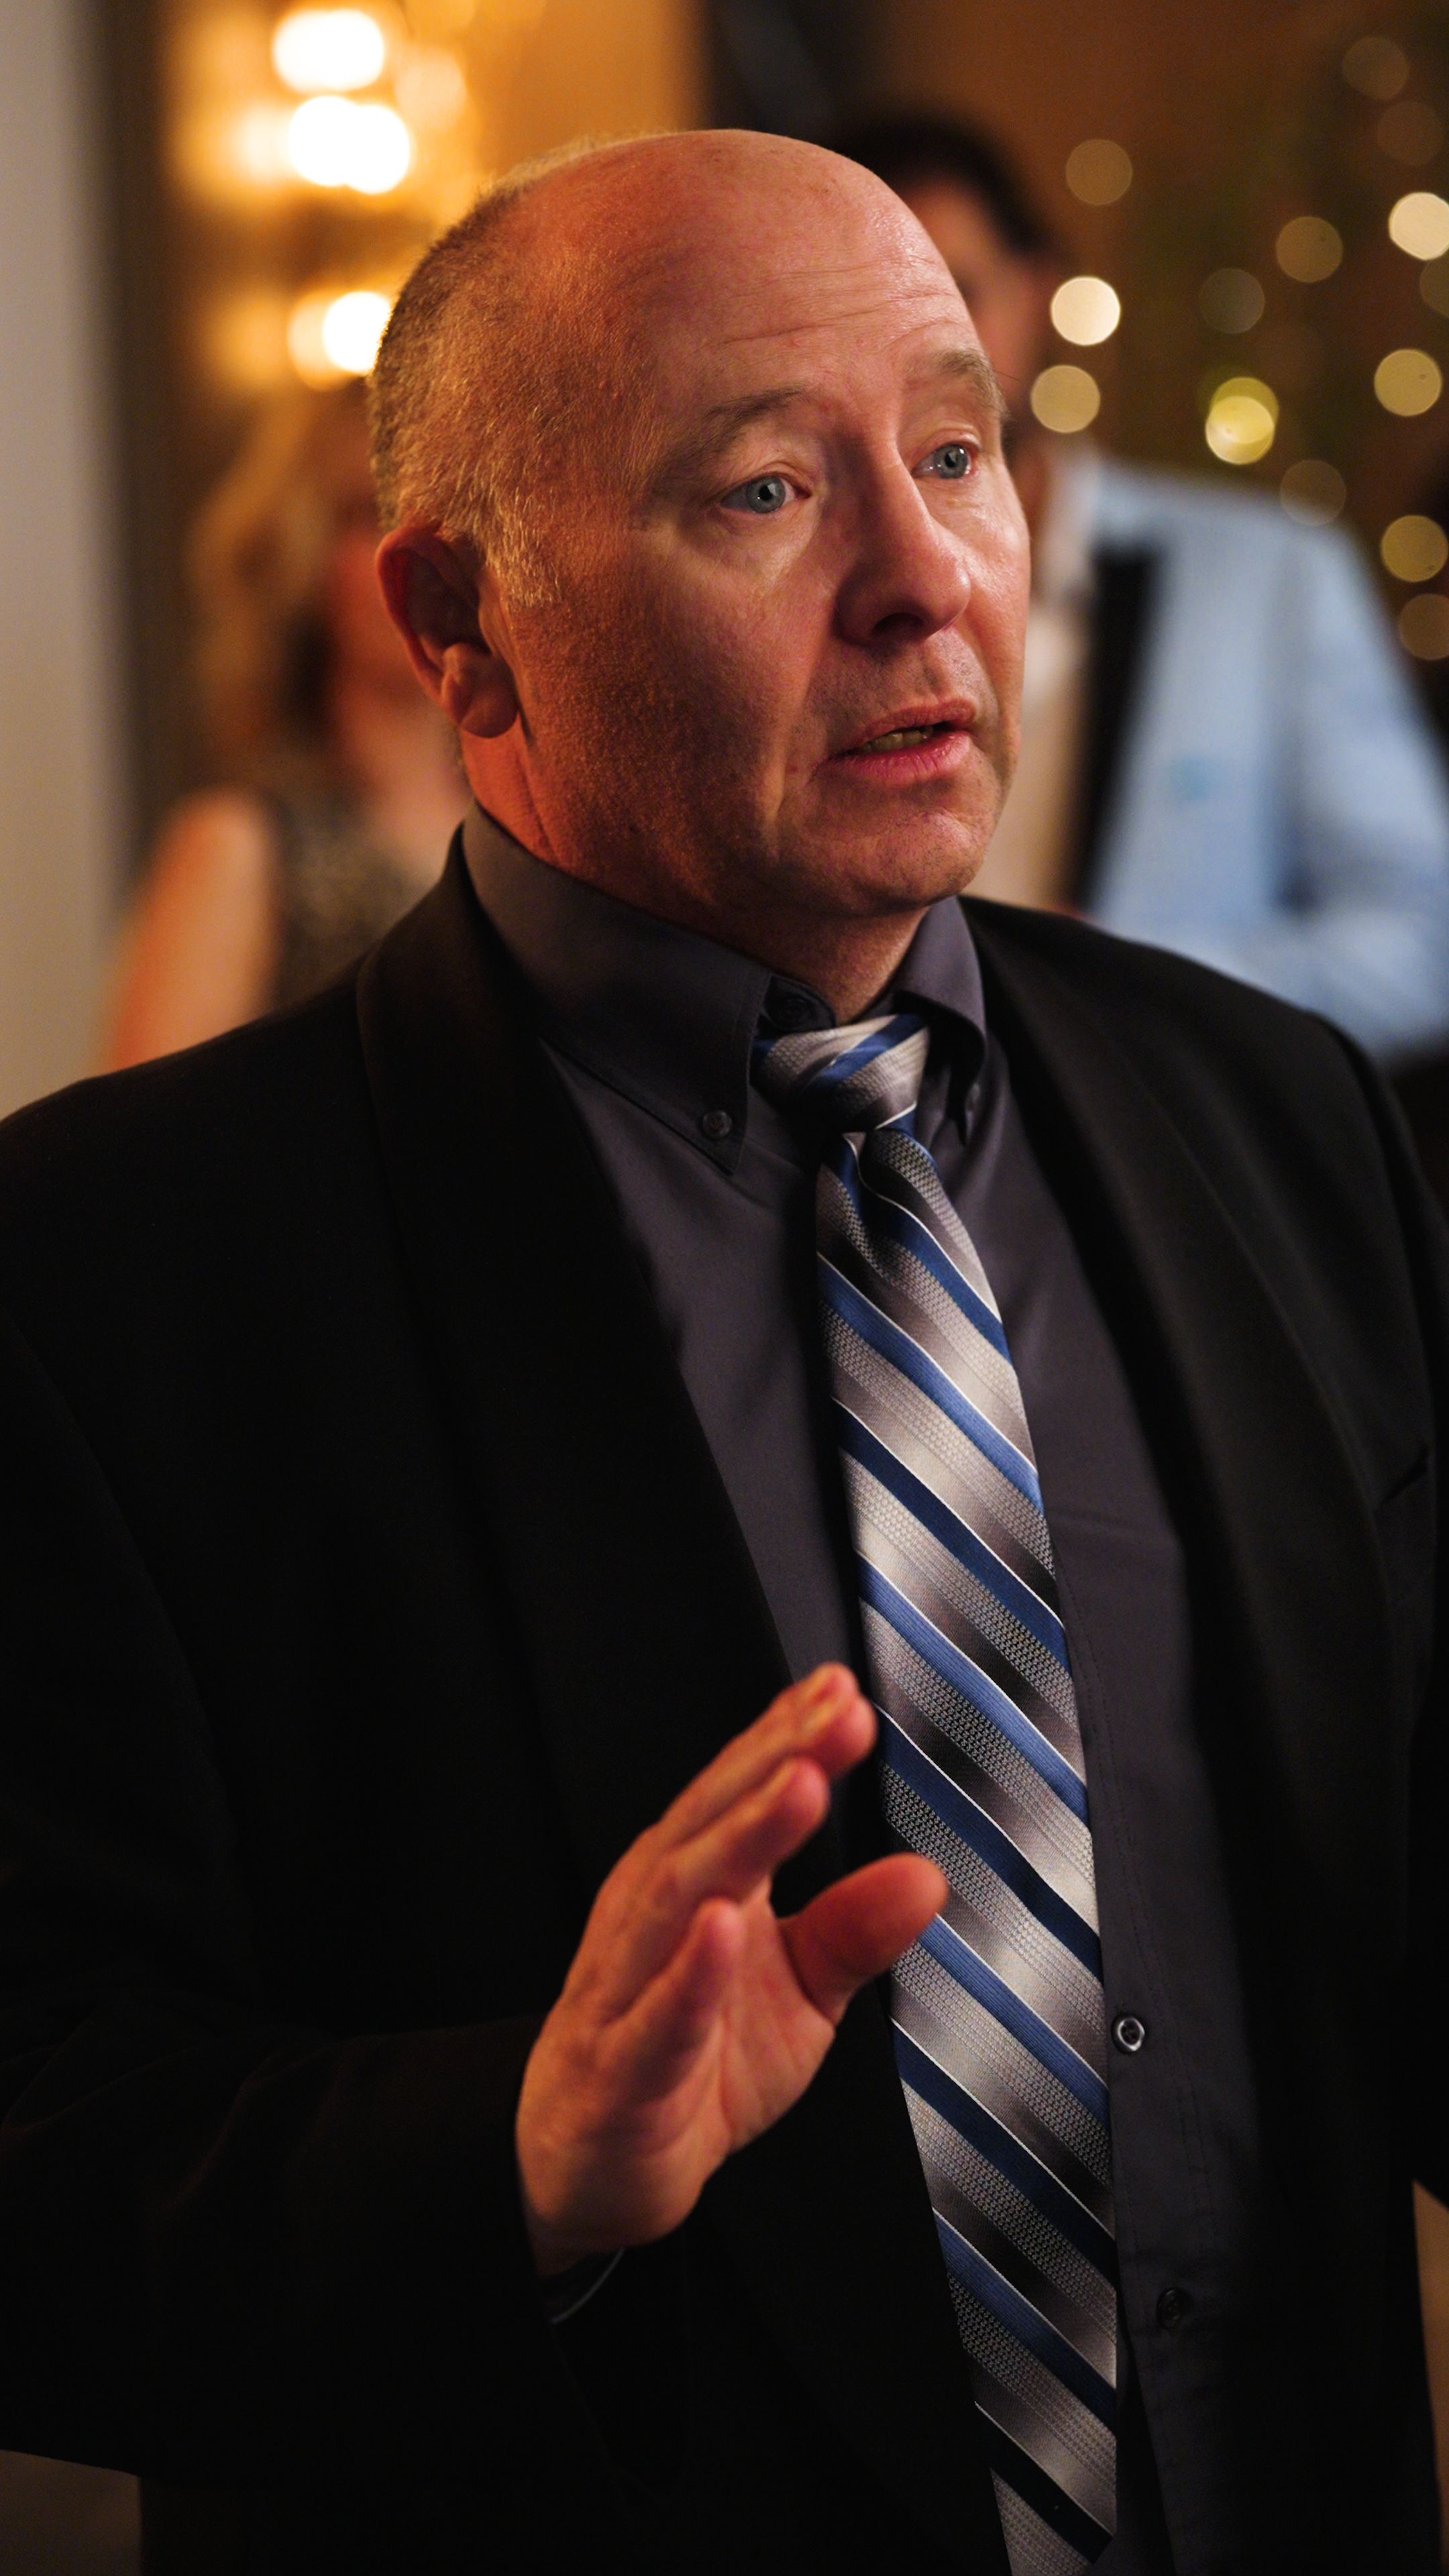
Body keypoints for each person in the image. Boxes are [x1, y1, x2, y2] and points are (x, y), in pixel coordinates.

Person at [0, 126, 1442, 2576]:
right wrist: (520, 2165)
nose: (924, 581)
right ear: (461, 618)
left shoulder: (1267, 1110)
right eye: (767, 487)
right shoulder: (112, 1274)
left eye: (960, 452)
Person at [835, 111, 1449, 1065]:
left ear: (1038, 294)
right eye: (856, 318)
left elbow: (1426, 938)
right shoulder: (801, 610)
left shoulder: (1273, 577)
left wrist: (1137, 981)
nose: (909, 356)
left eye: (955, 292)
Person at [98, 380, 465, 1069]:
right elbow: (140, 1157)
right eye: (373, 513)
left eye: (447, 513)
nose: (425, 554)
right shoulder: (240, 847)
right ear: (300, 558)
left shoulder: (537, 823)